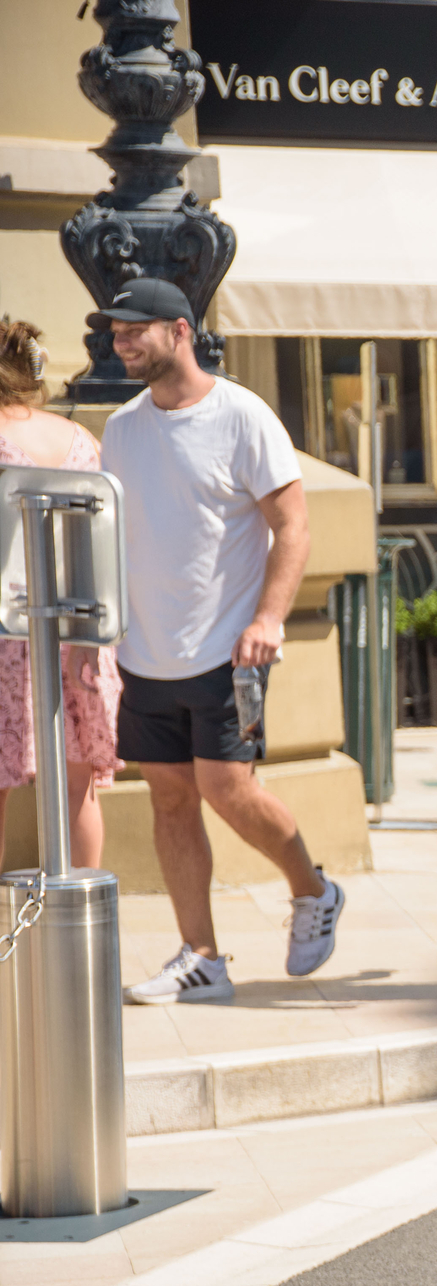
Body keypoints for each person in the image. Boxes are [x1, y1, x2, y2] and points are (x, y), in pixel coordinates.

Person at [91, 278, 344, 1005]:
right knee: (171, 799)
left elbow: (293, 525)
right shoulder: (124, 429)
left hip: (228, 651)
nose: (122, 341)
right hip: (145, 652)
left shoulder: (242, 416)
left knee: (227, 789)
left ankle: (313, 889)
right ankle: (201, 956)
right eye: (116, 331)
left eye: (135, 328)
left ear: (179, 329)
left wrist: (268, 619)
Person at [0, 319, 118, 872]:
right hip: (77, 629)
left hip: (7, 625)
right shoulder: (79, 440)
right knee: (78, 785)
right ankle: (81, 935)